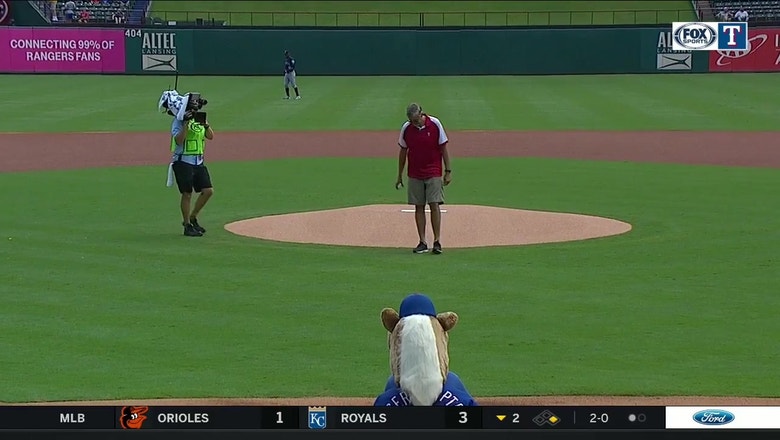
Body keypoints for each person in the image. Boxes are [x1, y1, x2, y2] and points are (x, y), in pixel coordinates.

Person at [395, 103, 452, 254]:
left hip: (433, 171)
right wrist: (399, 175)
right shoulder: (406, 129)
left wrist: (448, 170)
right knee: (418, 206)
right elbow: (403, 152)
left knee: (434, 204)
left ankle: (437, 241)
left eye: (416, 119)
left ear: (421, 114)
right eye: (412, 121)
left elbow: (443, 147)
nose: (415, 123)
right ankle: (422, 241)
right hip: (414, 173)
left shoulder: (435, 124)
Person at [170, 114, 215, 237]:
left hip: (198, 161)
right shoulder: (178, 121)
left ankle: (193, 217)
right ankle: (187, 225)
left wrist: (206, 124)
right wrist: (185, 125)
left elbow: (210, 136)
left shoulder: (198, 119)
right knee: (187, 193)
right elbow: (179, 141)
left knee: (208, 191)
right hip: (183, 161)